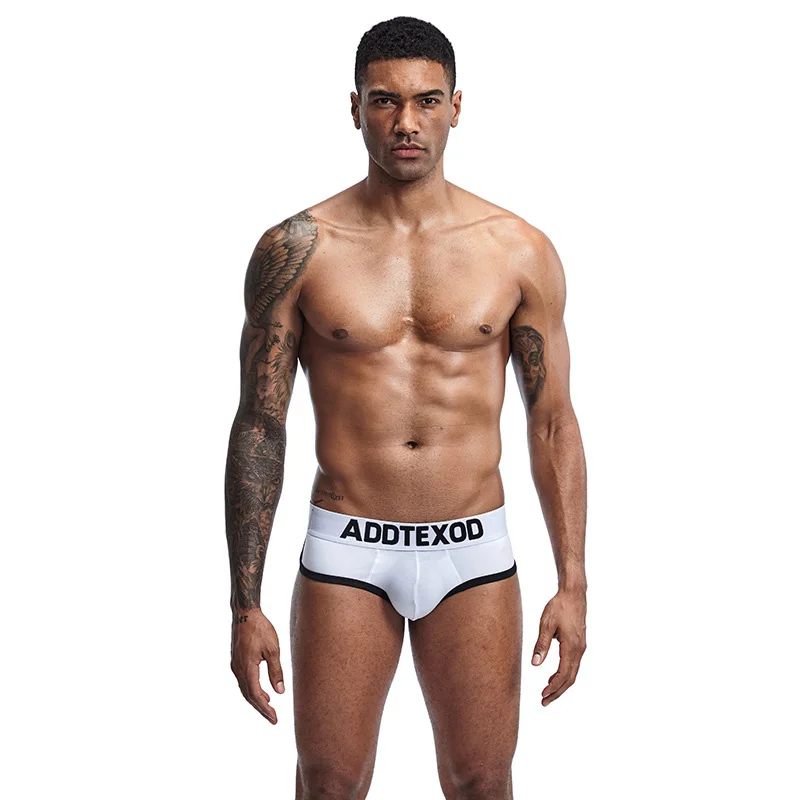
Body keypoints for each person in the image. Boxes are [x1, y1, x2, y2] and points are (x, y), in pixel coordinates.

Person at [224, 15, 587, 800]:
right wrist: (244, 604)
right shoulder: (298, 249)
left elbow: (553, 420)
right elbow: (260, 423)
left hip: (473, 550)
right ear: (355, 108)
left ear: (457, 106)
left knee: (482, 780)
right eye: (385, 101)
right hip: (348, 548)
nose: (407, 122)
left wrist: (574, 583)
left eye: (426, 101)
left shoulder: (517, 250)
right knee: (329, 782)